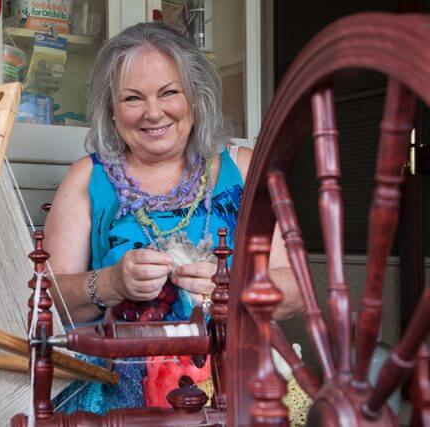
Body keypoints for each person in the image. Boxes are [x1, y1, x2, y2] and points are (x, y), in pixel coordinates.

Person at [43, 22, 303, 414]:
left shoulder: (244, 171)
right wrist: (111, 283)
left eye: (169, 93)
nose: (153, 113)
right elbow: (45, 302)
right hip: (118, 390)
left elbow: (298, 288)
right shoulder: (87, 177)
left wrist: (234, 292)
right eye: (132, 98)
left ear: (195, 99)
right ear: (111, 111)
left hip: (235, 380)